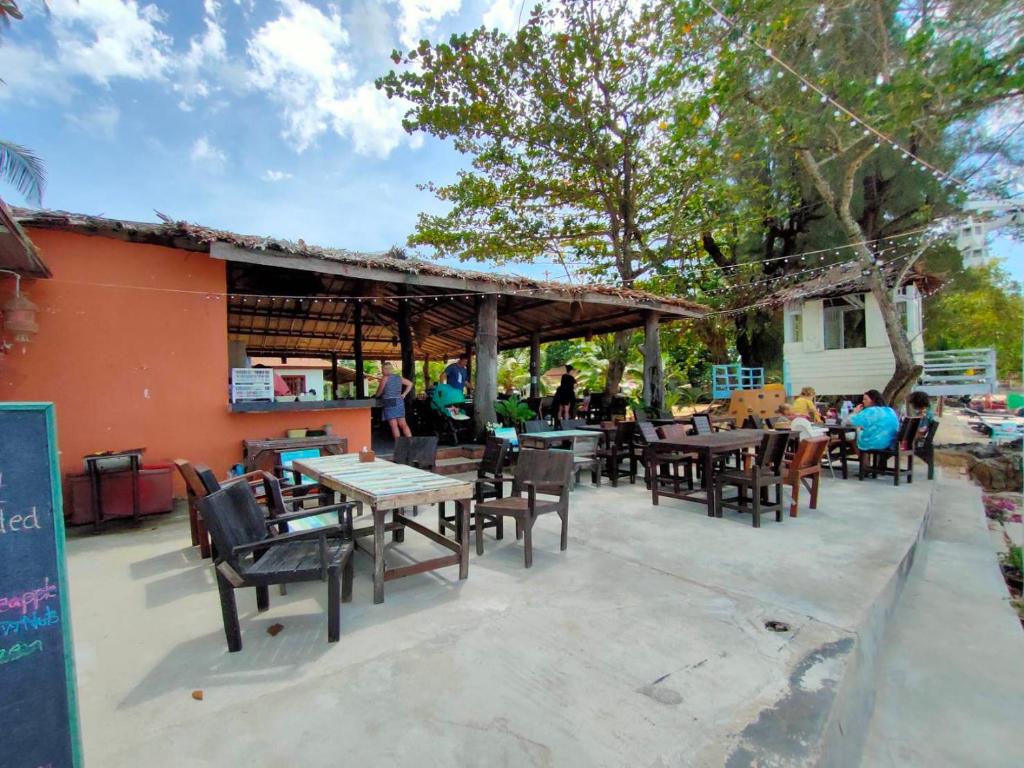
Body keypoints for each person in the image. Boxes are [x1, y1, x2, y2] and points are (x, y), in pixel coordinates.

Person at [373, 362, 413, 439]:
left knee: (394, 425)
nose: (382, 370)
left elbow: (379, 392)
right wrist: (404, 394)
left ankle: (398, 445)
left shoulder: (385, 378)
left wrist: (376, 395)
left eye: (382, 369)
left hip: (389, 402)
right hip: (399, 401)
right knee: (403, 424)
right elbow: (410, 384)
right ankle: (410, 443)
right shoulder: (399, 377)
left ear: (384, 369)